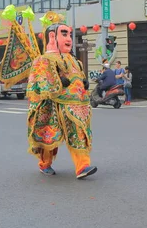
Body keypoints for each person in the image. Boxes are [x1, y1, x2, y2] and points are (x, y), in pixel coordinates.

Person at [26, 12, 96, 179]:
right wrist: (57, 80)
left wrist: (83, 82)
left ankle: (82, 166)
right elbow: (41, 81)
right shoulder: (44, 59)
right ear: (52, 36)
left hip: (75, 105)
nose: (69, 38)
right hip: (53, 106)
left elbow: (78, 75)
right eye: (64, 34)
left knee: (78, 133)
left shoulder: (73, 60)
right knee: (49, 140)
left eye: (70, 34)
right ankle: (45, 164)